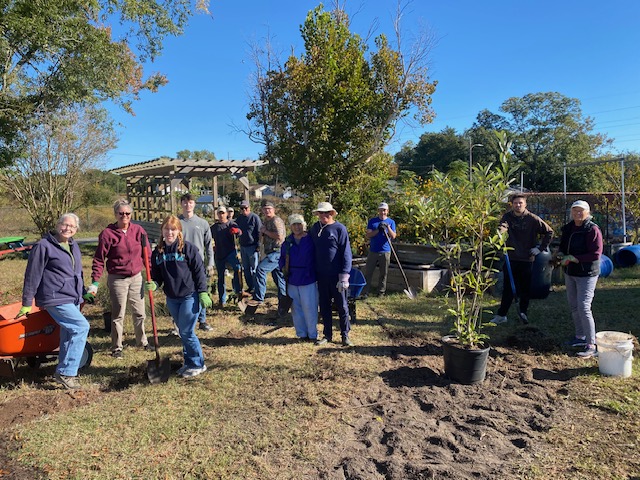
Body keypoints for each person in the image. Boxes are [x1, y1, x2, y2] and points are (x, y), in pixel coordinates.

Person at [18, 213, 90, 390]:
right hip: (54, 296)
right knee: (81, 327)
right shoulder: (44, 246)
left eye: (72, 227)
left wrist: (83, 292)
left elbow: (77, 273)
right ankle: (67, 372)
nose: (68, 229)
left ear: (76, 229)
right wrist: (27, 301)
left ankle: (62, 372)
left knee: (67, 333)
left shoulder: (73, 245)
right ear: (58, 225)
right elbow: (32, 275)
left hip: (71, 296)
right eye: (65, 225)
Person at [149, 216, 212, 377]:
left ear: (179, 231)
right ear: (162, 231)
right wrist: (155, 284)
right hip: (172, 297)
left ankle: (198, 364)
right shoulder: (158, 252)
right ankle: (189, 362)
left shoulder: (188, 249)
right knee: (183, 332)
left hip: (189, 296)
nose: (169, 232)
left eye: (173, 229)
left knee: (187, 331)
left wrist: (203, 291)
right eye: (166, 229)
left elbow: (199, 271)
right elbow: (157, 275)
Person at [90, 199, 149, 358]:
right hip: (117, 279)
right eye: (121, 213)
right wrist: (95, 281)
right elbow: (99, 259)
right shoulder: (107, 234)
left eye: (127, 213)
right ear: (115, 214)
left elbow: (147, 254)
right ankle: (117, 347)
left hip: (136, 277)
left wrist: (151, 274)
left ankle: (142, 342)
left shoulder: (139, 231)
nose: (124, 216)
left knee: (139, 312)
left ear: (131, 214)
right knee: (118, 314)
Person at [492, 193, 553, 325]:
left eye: (520, 203)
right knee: (508, 288)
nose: (518, 205)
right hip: (511, 257)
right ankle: (502, 315)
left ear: (525, 204)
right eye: (515, 203)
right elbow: (503, 225)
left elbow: (549, 232)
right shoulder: (508, 216)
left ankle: (523, 312)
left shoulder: (532, 219)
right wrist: (500, 233)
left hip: (527, 259)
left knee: (525, 288)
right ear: (512, 204)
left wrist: (540, 248)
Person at [557, 200, 603, 358]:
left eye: (581, 210)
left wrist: (575, 258)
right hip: (570, 272)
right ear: (571, 212)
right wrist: (560, 255)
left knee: (584, 306)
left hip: (587, 273)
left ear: (588, 212)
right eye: (575, 210)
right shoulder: (569, 228)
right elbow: (562, 247)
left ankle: (592, 345)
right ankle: (580, 337)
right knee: (574, 306)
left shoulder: (592, 229)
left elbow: (596, 254)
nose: (578, 213)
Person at [310, 202, 353, 346]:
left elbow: (346, 253)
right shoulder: (315, 228)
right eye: (321, 213)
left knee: (342, 306)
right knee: (324, 306)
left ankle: (345, 335)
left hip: (337, 276)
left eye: (327, 213)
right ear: (318, 214)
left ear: (332, 213)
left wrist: (344, 276)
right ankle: (327, 335)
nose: (324, 216)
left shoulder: (339, 229)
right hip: (321, 275)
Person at [178, 193, 215, 331]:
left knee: (201, 290)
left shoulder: (203, 223)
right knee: (180, 292)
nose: (188, 205)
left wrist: (210, 263)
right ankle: (178, 323)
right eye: (185, 202)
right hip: (180, 263)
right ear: (181, 204)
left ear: (194, 204)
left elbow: (208, 245)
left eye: (191, 202)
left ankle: (202, 320)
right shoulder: (176, 222)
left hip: (198, 263)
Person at [279, 214, 318, 341]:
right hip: (292, 278)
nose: (297, 227)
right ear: (290, 226)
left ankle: (312, 334)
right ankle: (301, 334)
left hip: (308, 278)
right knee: (296, 308)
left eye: (299, 224)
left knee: (309, 307)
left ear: (304, 225)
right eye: (294, 224)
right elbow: (282, 258)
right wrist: (282, 268)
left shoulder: (311, 239)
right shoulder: (288, 242)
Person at [251, 201, 287, 306]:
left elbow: (280, 236)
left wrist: (265, 231)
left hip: (277, 252)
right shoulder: (266, 221)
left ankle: (259, 298)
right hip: (270, 252)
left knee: (260, 270)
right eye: (265, 209)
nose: (267, 211)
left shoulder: (276, 220)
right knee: (278, 277)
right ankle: (284, 301)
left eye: (269, 209)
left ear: (273, 209)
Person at [363, 202, 397, 297]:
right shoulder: (372, 221)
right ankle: (365, 291)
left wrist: (388, 228)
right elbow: (368, 235)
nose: (383, 212)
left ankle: (381, 292)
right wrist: (378, 230)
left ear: (387, 211)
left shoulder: (391, 222)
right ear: (378, 211)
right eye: (381, 210)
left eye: (384, 210)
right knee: (368, 272)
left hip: (385, 251)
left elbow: (393, 236)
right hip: (373, 250)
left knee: (384, 273)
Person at [210, 206, 242, 306]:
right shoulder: (214, 227)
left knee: (238, 269)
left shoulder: (231, 224)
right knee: (221, 277)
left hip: (231, 252)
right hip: (219, 254)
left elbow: (240, 231)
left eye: (223, 213)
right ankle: (222, 299)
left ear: (226, 214)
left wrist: (237, 231)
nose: (221, 215)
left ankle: (238, 291)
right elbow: (207, 237)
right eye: (219, 213)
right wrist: (211, 245)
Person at [235, 199, 262, 295]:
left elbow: (260, 232)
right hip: (243, 246)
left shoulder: (255, 218)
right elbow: (234, 226)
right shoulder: (240, 219)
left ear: (249, 208)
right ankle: (250, 286)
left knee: (254, 269)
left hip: (253, 246)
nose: (243, 210)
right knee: (246, 268)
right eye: (242, 208)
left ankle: (257, 288)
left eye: (245, 208)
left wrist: (258, 245)